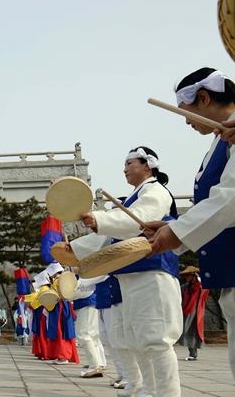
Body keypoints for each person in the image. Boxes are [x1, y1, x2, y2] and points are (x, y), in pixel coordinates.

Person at [146, 68, 235, 380]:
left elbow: (232, 196)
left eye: (186, 113)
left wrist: (178, 232)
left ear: (204, 97)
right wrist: (176, 230)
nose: (185, 121)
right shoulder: (222, 140)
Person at [71, 146, 182, 396]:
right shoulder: (134, 196)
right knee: (138, 342)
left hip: (153, 272)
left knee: (156, 341)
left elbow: (140, 219)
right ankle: (148, 391)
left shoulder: (155, 191)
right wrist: (73, 248)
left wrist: (99, 219)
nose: (124, 169)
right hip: (130, 276)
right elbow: (110, 238)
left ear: (147, 165)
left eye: (129, 163)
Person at [179, 266, 209, 361]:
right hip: (187, 310)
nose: (186, 278)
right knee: (187, 331)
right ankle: (192, 353)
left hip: (195, 311)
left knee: (191, 331)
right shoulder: (186, 287)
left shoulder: (200, 286)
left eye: (188, 276)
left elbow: (204, 295)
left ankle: (193, 354)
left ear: (193, 276)